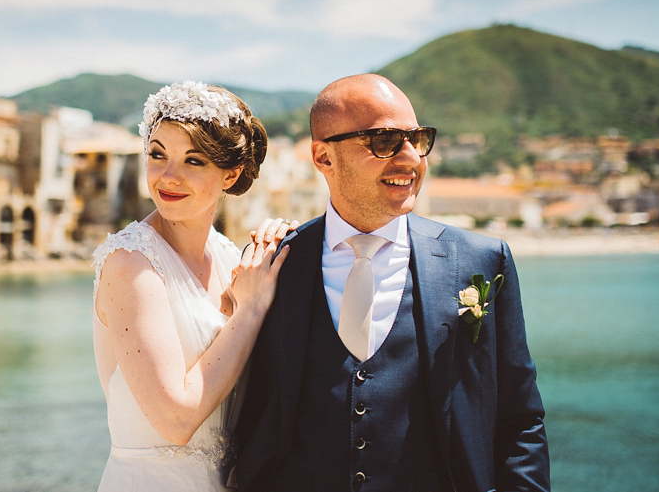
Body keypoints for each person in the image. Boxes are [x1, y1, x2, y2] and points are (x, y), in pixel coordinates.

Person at [231, 74, 549, 492]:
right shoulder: (271, 264)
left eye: (417, 139)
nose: (411, 158)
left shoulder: (481, 261)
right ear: (323, 157)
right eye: (384, 141)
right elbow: (246, 412)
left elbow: (520, 420)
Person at [92, 81, 295, 492]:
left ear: (231, 174)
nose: (169, 177)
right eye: (157, 154)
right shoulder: (130, 263)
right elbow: (175, 420)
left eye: (194, 161)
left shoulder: (228, 256)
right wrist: (251, 309)